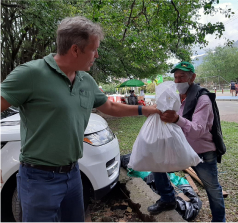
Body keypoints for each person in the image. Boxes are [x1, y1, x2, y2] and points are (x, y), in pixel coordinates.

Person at [1, 16, 161, 222]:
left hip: (73, 174)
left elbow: (109, 106)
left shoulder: (86, 80)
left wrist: (145, 110)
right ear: (75, 49)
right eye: (94, 49)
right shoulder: (31, 74)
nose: (97, 55)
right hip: (38, 178)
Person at [147, 62, 226, 222]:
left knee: (212, 188)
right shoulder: (176, 98)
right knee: (156, 163)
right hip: (181, 146)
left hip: (202, 152)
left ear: (192, 77)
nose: (178, 80)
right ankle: (168, 199)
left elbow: (197, 130)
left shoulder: (202, 99)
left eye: (182, 76)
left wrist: (176, 119)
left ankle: (219, 219)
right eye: (176, 77)